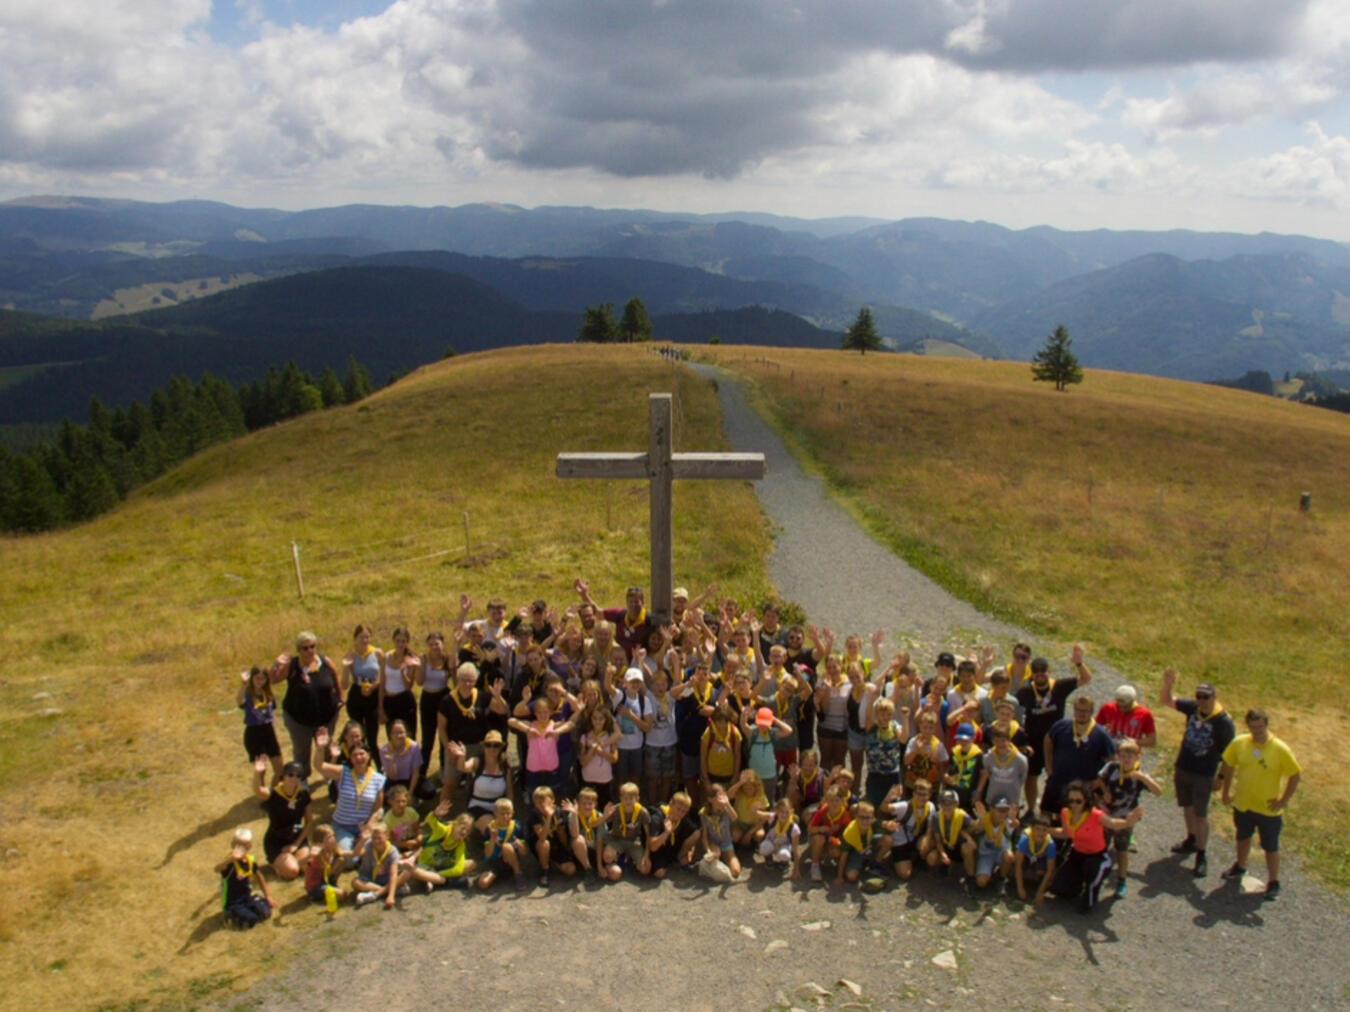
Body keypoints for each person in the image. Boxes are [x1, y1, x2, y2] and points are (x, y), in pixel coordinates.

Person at [1161, 668, 1236, 878]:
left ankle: (1202, 854)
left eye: (1206, 697)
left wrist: (1221, 778)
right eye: (1199, 696)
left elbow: (1230, 755)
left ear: (1214, 697)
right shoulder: (1193, 709)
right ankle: (1191, 839)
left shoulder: (1223, 722)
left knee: (1201, 814)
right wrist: (1168, 684)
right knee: (1187, 806)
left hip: (1204, 773)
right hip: (1184, 766)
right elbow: (1167, 701)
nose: (1201, 701)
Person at [1219, 709, 1301, 900]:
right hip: (1243, 804)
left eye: (1260, 727)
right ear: (1248, 726)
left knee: (1270, 846)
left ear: (1267, 725)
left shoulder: (1280, 749)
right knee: (1242, 837)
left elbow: (1295, 775)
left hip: (1268, 809)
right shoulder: (1240, 743)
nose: (1257, 731)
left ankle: (1273, 881)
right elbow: (1228, 765)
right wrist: (1225, 792)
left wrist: (1283, 800)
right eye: (1253, 727)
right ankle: (1240, 866)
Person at [1015, 646, 1092, 813]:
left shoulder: (1059, 686)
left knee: (1057, 775)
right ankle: (1030, 809)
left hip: (1057, 740)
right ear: (1032, 674)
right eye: (1036, 672)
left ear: (1049, 672)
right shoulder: (1025, 691)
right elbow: (1017, 715)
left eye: (1043, 671)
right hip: (1033, 741)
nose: (1040, 675)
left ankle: (1059, 810)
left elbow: (1086, 678)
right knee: (1031, 776)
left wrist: (1079, 663)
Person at [1050, 780, 1143, 913]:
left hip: (1097, 856)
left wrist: (1128, 822)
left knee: (1090, 880)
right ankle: (1078, 882)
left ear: (1086, 800)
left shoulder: (1095, 815)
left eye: (1078, 801)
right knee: (1059, 889)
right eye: (1071, 801)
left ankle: (1091, 889)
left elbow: (1112, 823)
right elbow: (1066, 833)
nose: (1074, 804)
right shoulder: (1066, 813)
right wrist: (1046, 830)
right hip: (1077, 854)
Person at [1094, 738, 1161, 899]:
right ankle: (1097, 873)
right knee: (1100, 846)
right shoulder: (1111, 767)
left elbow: (1158, 792)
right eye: (1123, 755)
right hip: (1107, 815)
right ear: (1118, 756)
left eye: (1130, 756)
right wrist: (1104, 793)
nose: (1126, 759)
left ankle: (1121, 881)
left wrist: (1142, 778)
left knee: (1121, 850)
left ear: (1138, 757)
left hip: (1125, 820)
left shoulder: (1139, 775)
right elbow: (1098, 782)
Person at [271, 631, 342, 778]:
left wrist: (341, 699)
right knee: (302, 751)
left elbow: (335, 676)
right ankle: (302, 781)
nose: (310, 650)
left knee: (326, 748)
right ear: (298, 650)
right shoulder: (292, 665)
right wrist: (276, 665)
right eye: (305, 648)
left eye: (312, 646)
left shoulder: (325, 661)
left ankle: (329, 778)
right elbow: (273, 680)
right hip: (299, 720)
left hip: (326, 718)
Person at [436, 662, 509, 802]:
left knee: (475, 781)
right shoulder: (447, 700)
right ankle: (441, 814)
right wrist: (448, 749)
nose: (467, 683)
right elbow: (441, 728)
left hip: (478, 747)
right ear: (457, 678)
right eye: (463, 679)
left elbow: (503, 710)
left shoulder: (481, 696)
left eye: (471, 680)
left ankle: (471, 809)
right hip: (456, 747)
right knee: (450, 782)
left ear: (476, 680)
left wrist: (498, 696)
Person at [313, 727, 386, 852]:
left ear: (369, 756)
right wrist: (320, 749)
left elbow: (378, 809)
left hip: (364, 827)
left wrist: (367, 829)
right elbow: (319, 766)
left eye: (362, 754)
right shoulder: (343, 772)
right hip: (342, 826)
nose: (358, 758)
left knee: (374, 851)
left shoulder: (378, 779)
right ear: (351, 759)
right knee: (351, 860)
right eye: (354, 755)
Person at [1041, 695, 1115, 814]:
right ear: (1074, 710)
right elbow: (1048, 739)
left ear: (1091, 711)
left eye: (1085, 710)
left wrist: (1098, 782)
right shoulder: (1062, 726)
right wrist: (1048, 766)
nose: (1081, 713)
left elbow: (1112, 761)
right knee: (1046, 814)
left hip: (1083, 789)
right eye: (1078, 710)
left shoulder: (1101, 734)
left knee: (1078, 821)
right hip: (1057, 781)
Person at [252, 757, 313, 880]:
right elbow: (258, 790)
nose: (294, 778)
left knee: (309, 867)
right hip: (276, 841)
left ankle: (290, 861)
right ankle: (278, 864)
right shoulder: (274, 794)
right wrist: (257, 772)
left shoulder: (303, 794)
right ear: (284, 776)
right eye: (290, 775)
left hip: (296, 838)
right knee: (293, 871)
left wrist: (296, 844)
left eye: (298, 776)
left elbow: (309, 822)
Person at [451, 730, 512, 833]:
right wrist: (462, 756)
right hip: (478, 806)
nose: (492, 748)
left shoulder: (505, 766)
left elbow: (510, 790)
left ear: (501, 747)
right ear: (484, 747)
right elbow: (462, 767)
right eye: (488, 745)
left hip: (498, 809)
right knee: (494, 831)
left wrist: (509, 811)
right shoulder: (477, 761)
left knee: (507, 831)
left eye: (496, 745)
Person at [216, 828, 276, 928]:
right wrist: (230, 860)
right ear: (232, 845)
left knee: (266, 913)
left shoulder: (250, 860)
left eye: (243, 845)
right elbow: (217, 869)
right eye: (237, 845)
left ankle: (252, 907)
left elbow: (259, 877)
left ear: (249, 846)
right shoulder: (230, 863)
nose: (240, 848)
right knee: (252, 920)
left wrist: (268, 896)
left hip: (247, 897)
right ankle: (231, 915)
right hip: (233, 902)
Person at [341, 625, 384, 764]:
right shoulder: (352, 655)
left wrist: (373, 686)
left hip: (373, 695)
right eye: (361, 637)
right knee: (357, 736)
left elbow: (383, 677)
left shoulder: (377, 653)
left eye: (367, 637)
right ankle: (355, 763)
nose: (365, 640)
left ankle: (376, 764)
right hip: (357, 696)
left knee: (372, 735)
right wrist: (346, 667)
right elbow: (345, 684)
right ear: (355, 639)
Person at [415, 631, 453, 785]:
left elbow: (455, 678)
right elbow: (419, 682)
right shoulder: (423, 659)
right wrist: (421, 666)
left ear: (442, 644)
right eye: (431, 644)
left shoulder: (447, 659)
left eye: (437, 643)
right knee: (428, 740)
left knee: (444, 737)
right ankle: (422, 775)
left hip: (443, 699)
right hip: (427, 700)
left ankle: (444, 771)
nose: (434, 647)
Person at [924, 789, 977, 894]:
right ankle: (945, 865)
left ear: (956, 804)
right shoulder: (936, 817)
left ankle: (970, 877)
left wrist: (967, 836)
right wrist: (943, 854)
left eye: (950, 803)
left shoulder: (963, 815)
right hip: (945, 846)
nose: (947, 806)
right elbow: (938, 840)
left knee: (968, 848)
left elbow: (974, 827)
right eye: (944, 803)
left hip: (959, 846)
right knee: (931, 858)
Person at [414, 804, 476, 890]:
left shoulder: (461, 843)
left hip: (442, 866)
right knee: (415, 871)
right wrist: (435, 814)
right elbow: (431, 820)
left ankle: (431, 880)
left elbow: (458, 869)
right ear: (455, 824)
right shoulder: (443, 831)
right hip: (426, 865)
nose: (464, 832)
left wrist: (437, 874)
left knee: (471, 864)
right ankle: (439, 880)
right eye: (462, 828)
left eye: (468, 831)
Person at [883, 779, 934, 881]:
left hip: (914, 838)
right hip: (901, 842)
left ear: (930, 795)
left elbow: (929, 828)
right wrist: (888, 798)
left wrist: (926, 842)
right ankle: (895, 858)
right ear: (913, 794)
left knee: (927, 843)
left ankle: (918, 857)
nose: (921, 797)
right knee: (905, 875)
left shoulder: (930, 806)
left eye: (925, 794)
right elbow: (884, 808)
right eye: (918, 794)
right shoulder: (904, 806)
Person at [238, 666, 282, 784]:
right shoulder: (247, 694)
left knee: (279, 768)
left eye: (263, 678)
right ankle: (262, 794)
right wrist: (243, 685)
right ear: (252, 679)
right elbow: (239, 702)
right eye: (257, 678)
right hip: (254, 733)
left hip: (268, 731)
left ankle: (274, 794)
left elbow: (272, 712)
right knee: (261, 770)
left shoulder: (267, 693)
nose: (260, 681)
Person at [529, 785, 577, 887]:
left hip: (557, 846)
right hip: (541, 846)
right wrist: (549, 817)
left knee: (571, 870)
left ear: (553, 800)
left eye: (544, 802)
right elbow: (542, 837)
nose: (542, 806)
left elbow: (564, 838)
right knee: (544, 843)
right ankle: (545, 870)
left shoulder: (559, 812)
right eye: (538, 803)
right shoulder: (534, 814)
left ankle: (554, 862)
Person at [604, 781, 653, 878]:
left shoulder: (642, 812)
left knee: (645, 869)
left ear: (637, 799)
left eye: (631, 798)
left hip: (634, 842)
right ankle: (617, 859)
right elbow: (604, 824)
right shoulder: (616, 809)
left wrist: (646, 855)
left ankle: (631, 861)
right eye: (625, 798)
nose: (628, 801)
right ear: (620, 798)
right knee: (608, 857)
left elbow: (648, 835)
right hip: (616, 840)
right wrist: (606, 815)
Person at [649, 791, 702, 879]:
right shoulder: (657, 817)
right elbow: (653, 847)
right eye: (678, 809)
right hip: (658, 850)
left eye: (684, 811)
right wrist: (666, 832)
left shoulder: (683, 818)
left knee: (697, 833)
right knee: (659, 873)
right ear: (671, 804)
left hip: (672, 848)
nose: (680, 813)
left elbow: (697, 832)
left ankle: (677, 859)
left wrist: (691, 851)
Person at [479, 797, 528, 892]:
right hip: (495, 862)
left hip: (511, 861)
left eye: (508, 813)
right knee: (483, 883)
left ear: (513, 813)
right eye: (502, 814)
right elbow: (488, 854)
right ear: (495, 814)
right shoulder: (490, 828)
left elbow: (524, 853)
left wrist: (519, 844)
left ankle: (518, 873)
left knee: (506, 846)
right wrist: (492, 840)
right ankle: (499, 874)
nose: (506, 816)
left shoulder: (517, 826)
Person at [805, 785, 853, 883]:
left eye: (837, 800)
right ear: (827, 801)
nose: (834, 803)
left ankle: (829, 859)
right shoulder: (822, 811)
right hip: (818, 837)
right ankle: (815, 865)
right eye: (831, 800)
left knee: (835, 852)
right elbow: (810, 829)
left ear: (842, 801)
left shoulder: (845, 815)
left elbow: (848, 835)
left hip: (833, 840)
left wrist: (838, 838)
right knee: (819, 839)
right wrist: (821, 828)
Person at [974, 728, 1029, 812]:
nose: (1000, 744)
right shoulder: (988, 757)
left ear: (1009, 740)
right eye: (997, 741)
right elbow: (987, 774)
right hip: (993, 795)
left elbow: (1022, 777)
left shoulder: (1020, 760)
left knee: (1010, 823)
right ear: (993, 741)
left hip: (1012, 798)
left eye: (1003, 741)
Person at [353, 823, 406, 908]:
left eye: (379, 838)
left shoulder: (393, 851)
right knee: (355, 882)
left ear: (387, 836)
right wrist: (362, 840)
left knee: (405, 873)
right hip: (369, 878)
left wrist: (391, 897)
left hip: (386, 878)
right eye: (374, 838)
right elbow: (356, 854)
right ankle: (391, 889)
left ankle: (376, 894)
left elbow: (393, 874)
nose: (376, 841)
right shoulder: (369, 845)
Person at [613, 668, 649, 792]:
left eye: (638, 682)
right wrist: (608, 672)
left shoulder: (644, 700)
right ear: (625, 683)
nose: (635, 685)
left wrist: (631, 716)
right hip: (620, 747)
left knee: (635, 778)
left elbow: (647, 727)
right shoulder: (619, 696)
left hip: (637, 747)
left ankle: (634, 802)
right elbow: (607, 686)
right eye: (632, 681)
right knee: (620, 778)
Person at [564, 787, 612, 880]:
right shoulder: (574, 814)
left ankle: (597, 868)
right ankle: (588, 869)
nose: (587, 807)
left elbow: (600, 842)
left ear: (595, 804)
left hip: (596, 852)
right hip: (581, 853)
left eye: (590, 804)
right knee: (578, 840)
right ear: (578, 804)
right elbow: (574, 835)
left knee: (615, 874)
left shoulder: (599, 816)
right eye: (584, 804)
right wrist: (574, 814)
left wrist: (600, 866)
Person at [971, 796, 1019, 890]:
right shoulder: (984, 819)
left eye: (1005, 810)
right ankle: (989, 873)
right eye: (1000, 810)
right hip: (986, 855)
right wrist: (980, 822)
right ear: (991, 809)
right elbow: (973, 830)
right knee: (981, 883)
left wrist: (1013, 818)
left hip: (1001, 854)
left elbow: (1016, 824)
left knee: (1009, 856)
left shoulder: (1008, 822)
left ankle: (1001, 878)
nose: (1002, 813)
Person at [578, 704, 620, 805]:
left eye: (601, 719)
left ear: (606, 720)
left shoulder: (610, 737)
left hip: (605, 779)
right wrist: (592, 749)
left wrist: (601, 752)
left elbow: (614, 759)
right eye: (595, 718)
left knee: (604, 806)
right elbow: (582, 762)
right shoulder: (585, 737)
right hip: (588, 778)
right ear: (591, 720)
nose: (598, 721)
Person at [699, 783, 741, 880]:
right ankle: (718, 858)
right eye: (718, 796)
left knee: (736, 872)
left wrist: (727, 804)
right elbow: (705, 835)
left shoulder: (726, 809)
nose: (721, 798)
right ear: (710, 799)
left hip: (726, 843)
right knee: (715, 854)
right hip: (714, 843)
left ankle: (724, 859)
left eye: (723, 795)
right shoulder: (704, 813)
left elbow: (735, 817)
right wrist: (708, 850)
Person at [1014, 813, 1058, 907]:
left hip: (1040, 860)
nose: (1041, 833)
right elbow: (1018, 864)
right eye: (1038, 829)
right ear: (1032, 829)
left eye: (1044, 830)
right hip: (1026, 859)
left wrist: (1040, 892)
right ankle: (1020, 882)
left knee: (1046, 874)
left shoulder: (1050, 844)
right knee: (1013, 868)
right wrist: (1020, 888)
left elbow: (1050, 869)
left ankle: (1037, 885)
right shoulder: (1025, 839)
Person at [304, 825, 348, 915]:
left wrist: (362, 841)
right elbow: (301, 864)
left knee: (341, 860)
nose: (333, 838)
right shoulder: (316, 855)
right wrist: (310, 856)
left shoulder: (332, 850)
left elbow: (354, 853)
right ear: (320, 842)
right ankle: (317, 897)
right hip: (315, 887)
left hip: (324, 881)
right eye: (329, 837)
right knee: (342, 895)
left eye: (333, 835)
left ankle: (332, 884)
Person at [759, 797, 803, 877]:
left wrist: (796, 869)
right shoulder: (773, 818)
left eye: (787, 812)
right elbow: (759, 814)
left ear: (792, 812)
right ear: (777, 811)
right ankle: (768, 858)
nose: (784, 815)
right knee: (763, 848)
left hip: (784, 846)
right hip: (771, 842)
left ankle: (784, 862)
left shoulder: (794, 828)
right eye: (781, 812)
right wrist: (754, 809)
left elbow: (796, 850)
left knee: (784, 855)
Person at [378, 719, 422, 795]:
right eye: (395, 733)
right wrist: (392, 761)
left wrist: (410, 793)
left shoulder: (414, 747)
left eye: (401, 732)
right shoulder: (384, 750)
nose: (398, 735)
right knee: (384, 794)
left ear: (406, 733)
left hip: (410, 779)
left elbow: (416, 772)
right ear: (390, 735)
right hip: (395, 781)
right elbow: (392, 777)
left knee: (429, 791)